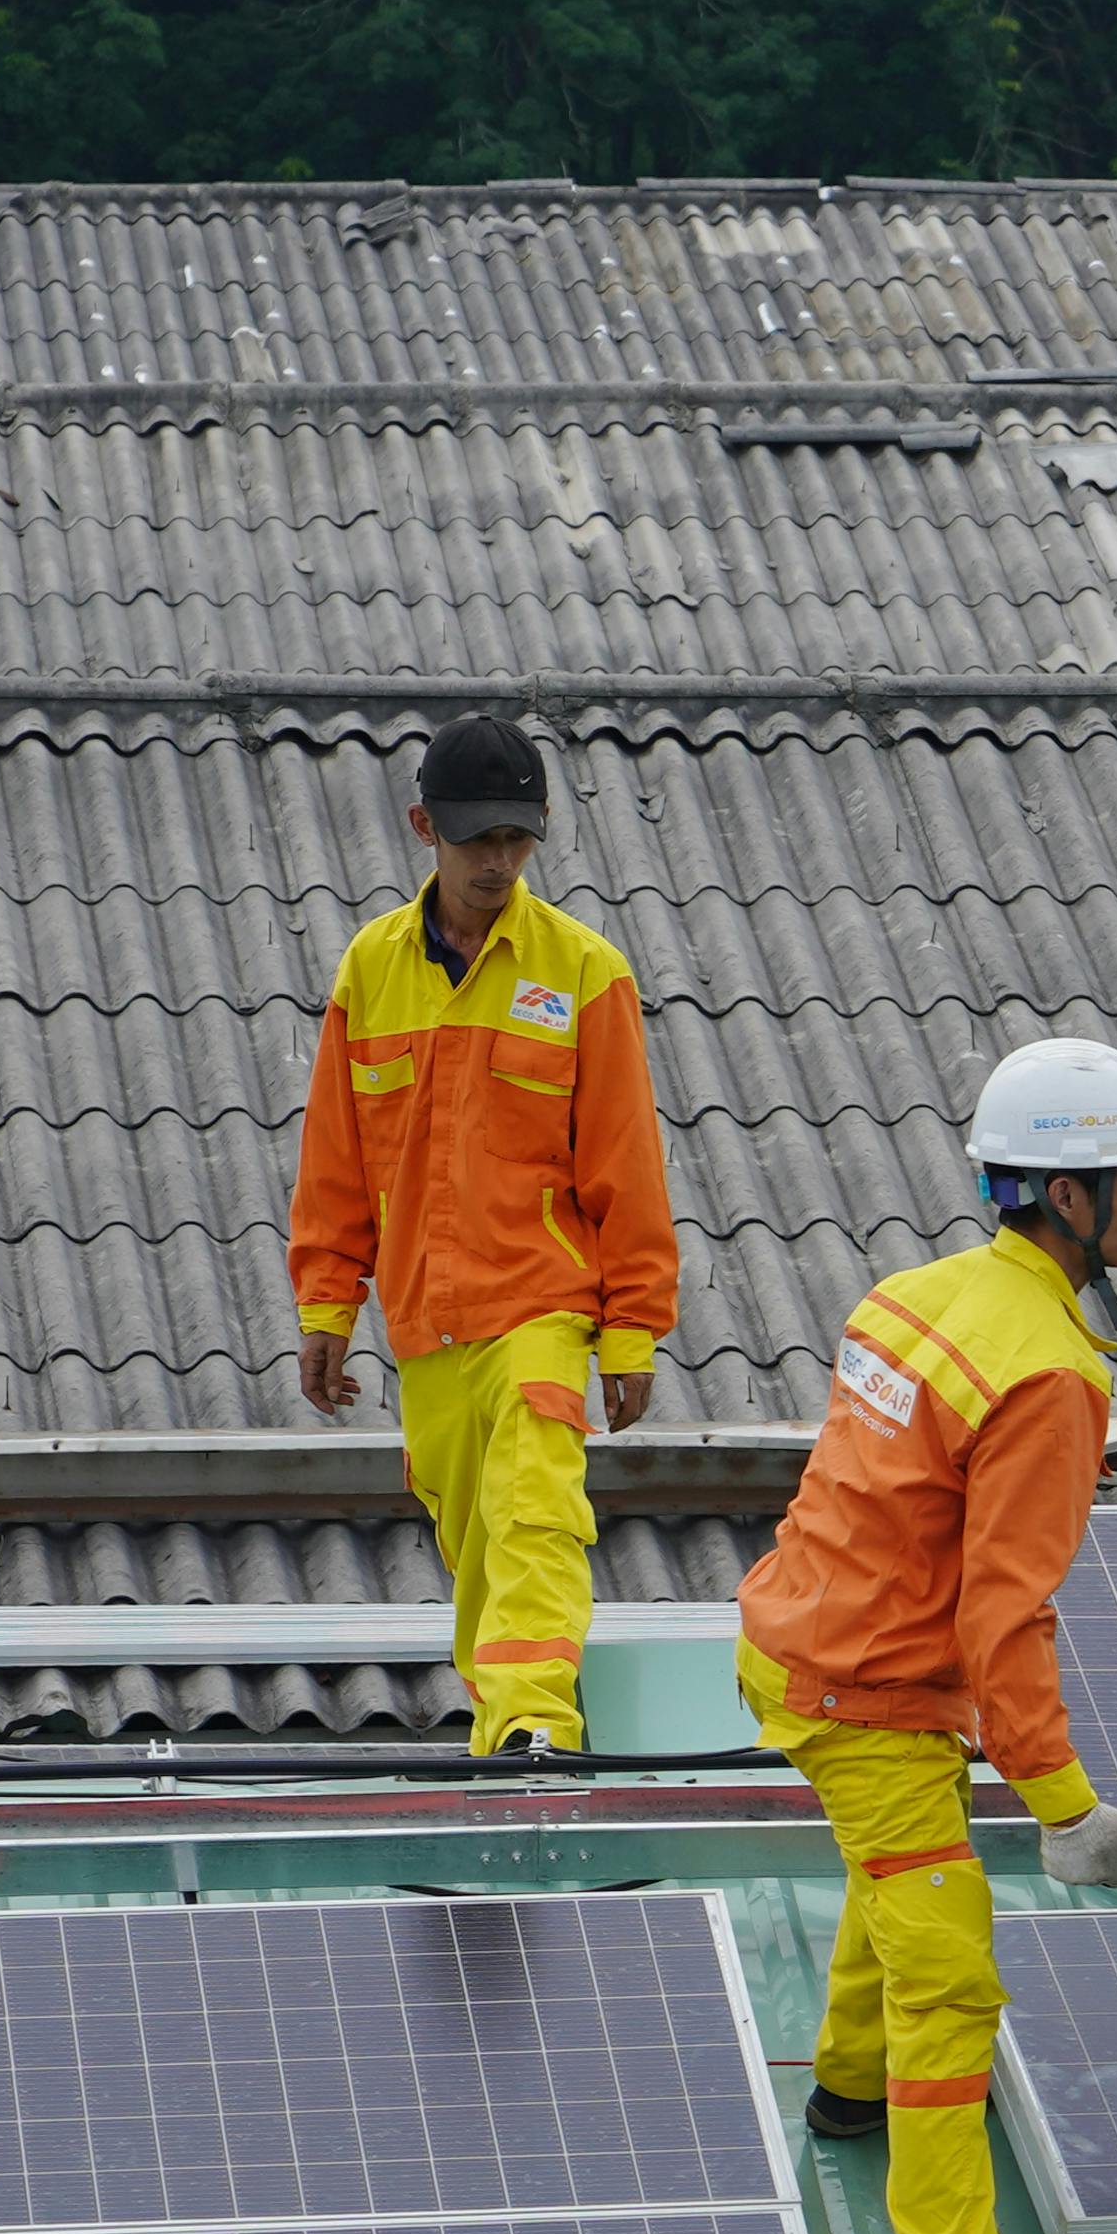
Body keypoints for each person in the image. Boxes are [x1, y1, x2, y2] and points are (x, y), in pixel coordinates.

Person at [733, 1041, 1117, 2234]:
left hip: (792, 1639)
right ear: (1067, 1195)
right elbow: (1007, 1617)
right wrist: (1064, 1808)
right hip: (864, 1699)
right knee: (953, 1979)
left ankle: (847, 2091)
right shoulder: (1051, 1375)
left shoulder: (912, 1299)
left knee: (903, 1875)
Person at [288, 714, 679, 1759]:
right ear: (426, 826)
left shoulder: (585, 973)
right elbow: (336, 1160)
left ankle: (536, 1726)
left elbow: (626, 1166)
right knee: (478, 1543)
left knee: (535, 1513)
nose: (499, 863)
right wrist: (328, 1305)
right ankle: (498, 1739)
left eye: (518, 839)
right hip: (426, 1329)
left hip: (540, 1306)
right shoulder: (370, 973)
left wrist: (630, 1330)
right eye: (478, 841)